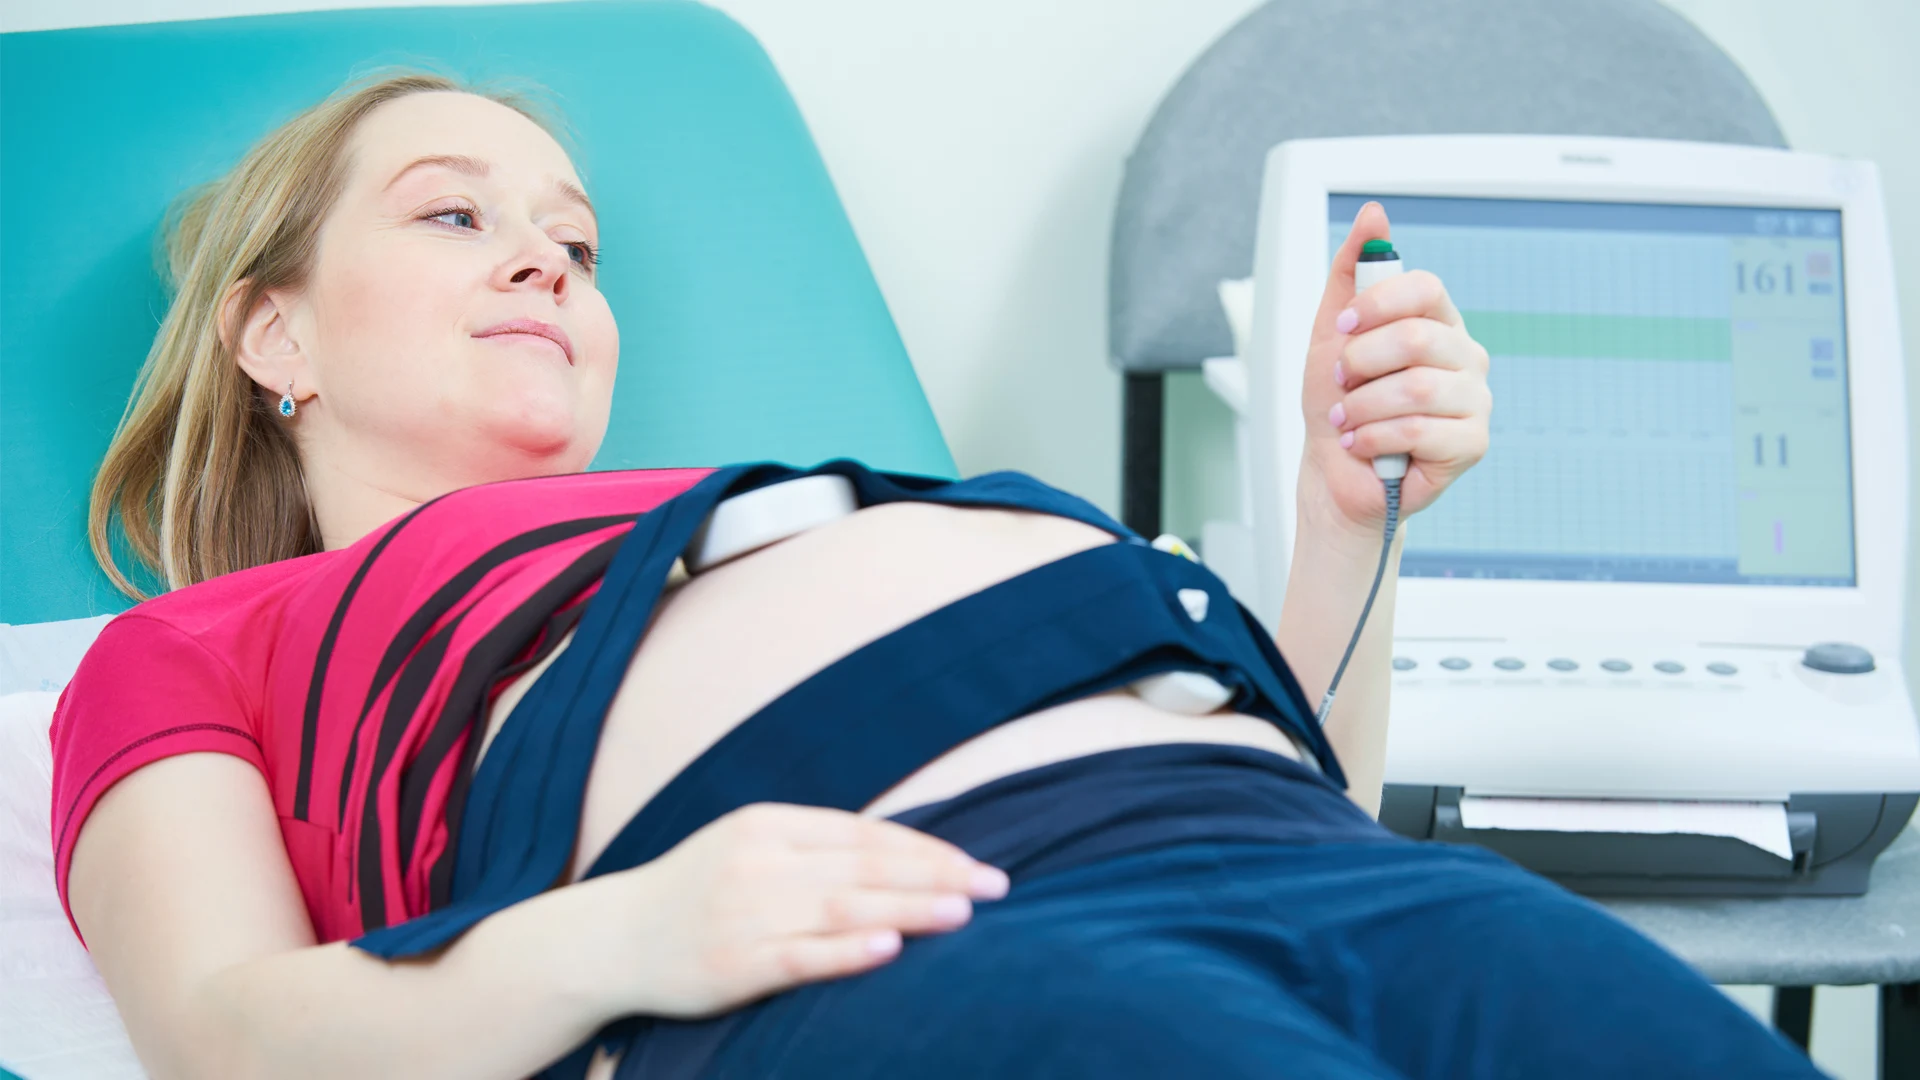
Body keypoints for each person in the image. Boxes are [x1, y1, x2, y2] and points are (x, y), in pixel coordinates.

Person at [52, 73, 1814, 1080]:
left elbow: (1314, 786)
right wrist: (625, 938)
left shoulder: (750, 506)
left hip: (1305, 852)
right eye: (456, 216)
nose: (546, 260)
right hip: (902, 927)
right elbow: (221, 1035)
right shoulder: (194, 645)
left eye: (576, 240)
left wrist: (1348, 516)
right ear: (271, 332)